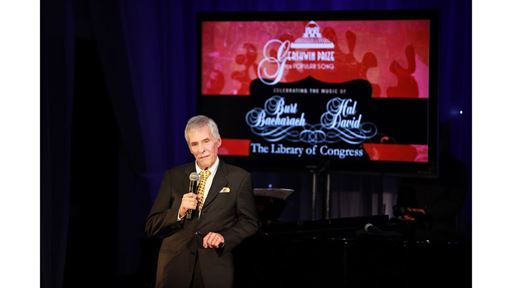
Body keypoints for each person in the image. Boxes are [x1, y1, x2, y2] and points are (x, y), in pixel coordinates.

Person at [145, 115, 259, 288]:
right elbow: (152, 226)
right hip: (174, 270)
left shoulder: (239, 178)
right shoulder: (173, 177)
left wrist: (224, 237)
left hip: (214, 270)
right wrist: (179, 212)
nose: (201, 149)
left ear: (218, 141)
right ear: (190, 148)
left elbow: (249, 222)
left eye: (206, 141)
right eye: (194, 144)